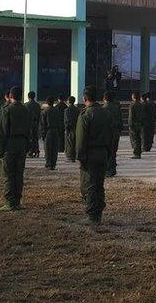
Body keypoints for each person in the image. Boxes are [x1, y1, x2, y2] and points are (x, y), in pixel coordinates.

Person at [77, 86, 114, 225]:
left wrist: (80, 157)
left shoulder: (85, 115)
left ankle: (92, 216)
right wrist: (109, 152)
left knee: (89, 185)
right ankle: (98, 212)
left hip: (90, 154)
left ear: (85, 98)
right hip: (103, 153)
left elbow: (81, 139)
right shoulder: (106, 113)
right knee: (99, 184)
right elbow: (111, 135)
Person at [0, 87, 31, 210]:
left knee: (8, 174)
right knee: (19, 173)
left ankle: (9, 202)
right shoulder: (25, 110)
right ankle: (17, 200)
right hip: (22, 143)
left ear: (11, 96)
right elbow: (29, 129)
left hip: (10, 144)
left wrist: (0, 149)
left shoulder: (7, 110)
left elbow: (2, 131)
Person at [104, 91, 122, 176]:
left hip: (108, 132)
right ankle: (113, 168)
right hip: (116, 132)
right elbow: (120, 121)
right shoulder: (117, 108)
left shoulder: (104, 108)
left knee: (108, 151)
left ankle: (109, 170)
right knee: (114, 151)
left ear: (104, 98)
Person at [43, 96, 63, 169]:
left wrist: (43, 134)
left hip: (48, 131)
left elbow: (43, 124)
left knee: (48, 148)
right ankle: (53, 164)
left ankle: (48, 164)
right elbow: (59, 122)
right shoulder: (57, 111)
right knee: (55, 149)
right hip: (56, 130)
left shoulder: (45, 111)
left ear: (47, 102)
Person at [128, 91, 146, 159]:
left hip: (134, 124)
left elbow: (131, 116)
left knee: (135, 139)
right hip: (140, 124)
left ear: (133, 97)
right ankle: (139, 152)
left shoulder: (132, 105)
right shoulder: (141, 104)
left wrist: (130, 124)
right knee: (139, 138)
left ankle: (136, 153)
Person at [25, 91, 42, 159]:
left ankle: (30, 152)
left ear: (28, 97)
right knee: (35, 138)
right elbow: (39, 115)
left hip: (28, 124)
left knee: (30, 138)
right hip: (36, 124)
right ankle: (36, 151)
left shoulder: (26, 105)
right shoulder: (38, 105)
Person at [64, 96, 79, 161]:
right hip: (76, 127)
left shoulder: (67, 110)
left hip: (69, 128)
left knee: (69, 143)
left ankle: (70, 157)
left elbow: (67, 120)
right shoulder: (77, 110)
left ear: (68, 101)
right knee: (75, 142)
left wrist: (66, 128)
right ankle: (74, 155)